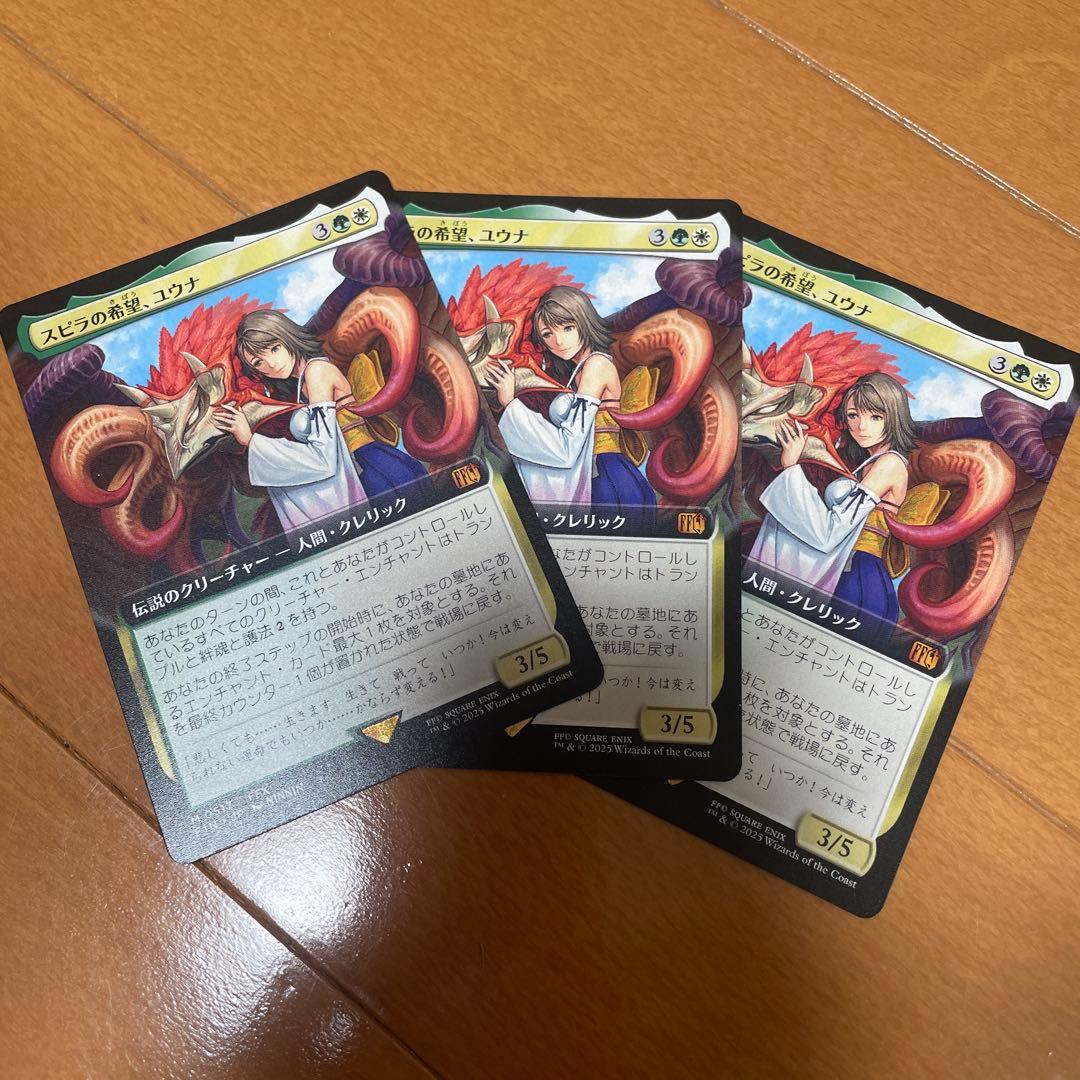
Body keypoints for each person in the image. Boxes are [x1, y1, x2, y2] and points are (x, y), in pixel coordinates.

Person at [749, 371, 917, 646]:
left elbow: (831, 531)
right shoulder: (866, 465)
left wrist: (791, 467)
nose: (862, 426)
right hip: (842, 572)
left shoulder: (890, 464)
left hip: (859, 579)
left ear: (894, 417)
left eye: (876, 417)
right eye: (853, 415)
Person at [487, 285, 656, 525]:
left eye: (568, 328)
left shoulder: (596, 365)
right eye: (547, 334)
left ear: (584, 322)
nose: (559, 341)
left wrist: (510, 403)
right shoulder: (574, 374)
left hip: (607, 479)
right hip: (590, 477)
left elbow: (567, 447)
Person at [211, 310, 368, 531]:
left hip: (368, 467)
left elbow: (323, 459)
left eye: (275, 348)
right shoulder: (301, 383)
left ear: (287, 336)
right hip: (355, 468)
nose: (271, 364)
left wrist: (250, 440)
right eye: (258, 362)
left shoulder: (317, 372)